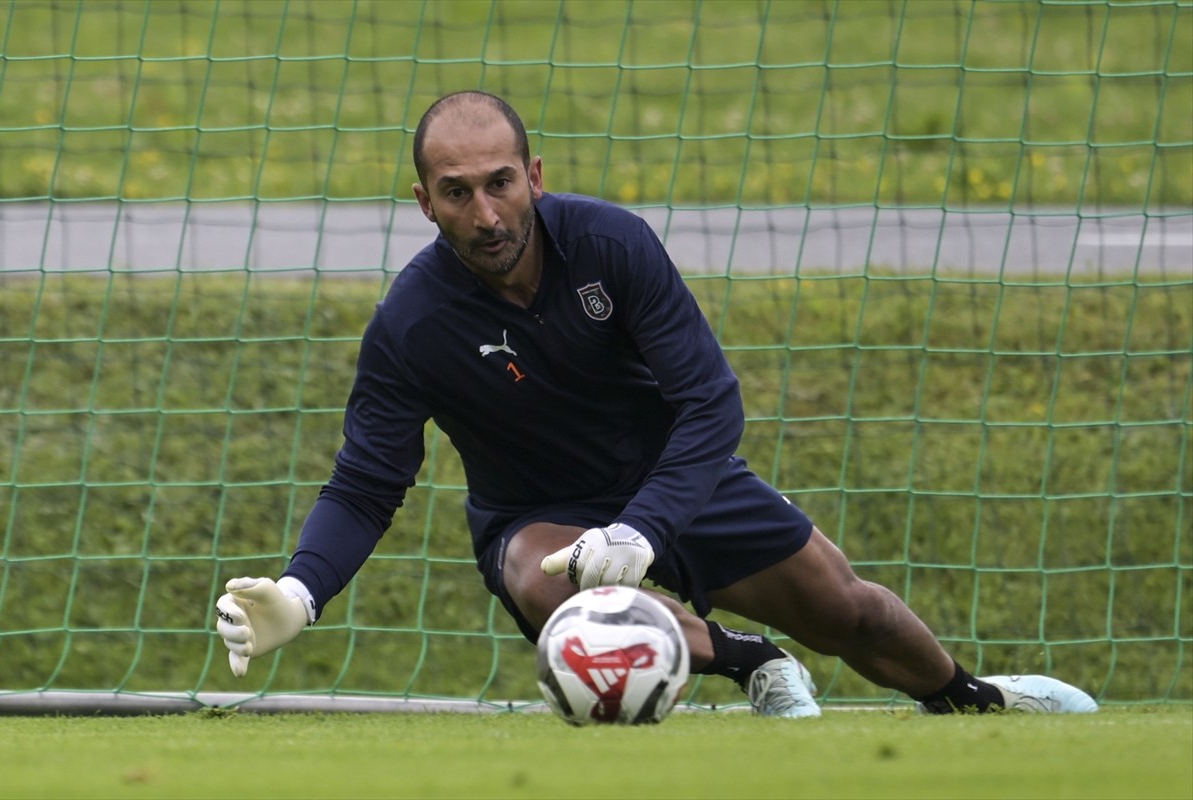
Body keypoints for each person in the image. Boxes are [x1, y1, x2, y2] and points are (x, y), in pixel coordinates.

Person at [214, 90, 1098, 717]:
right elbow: (369, 483)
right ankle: (753, 661)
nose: (485, 213)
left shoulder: (613, 245)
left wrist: (643, 527)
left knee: (851, 612)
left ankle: (970, 697)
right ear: (424, 203)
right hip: (539, 515)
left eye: (500, 182)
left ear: (535, 176)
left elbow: (710, 403)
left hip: (679, 479)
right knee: (540, 582)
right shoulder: (410, 324)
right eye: (457, 192)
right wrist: (302, 591)